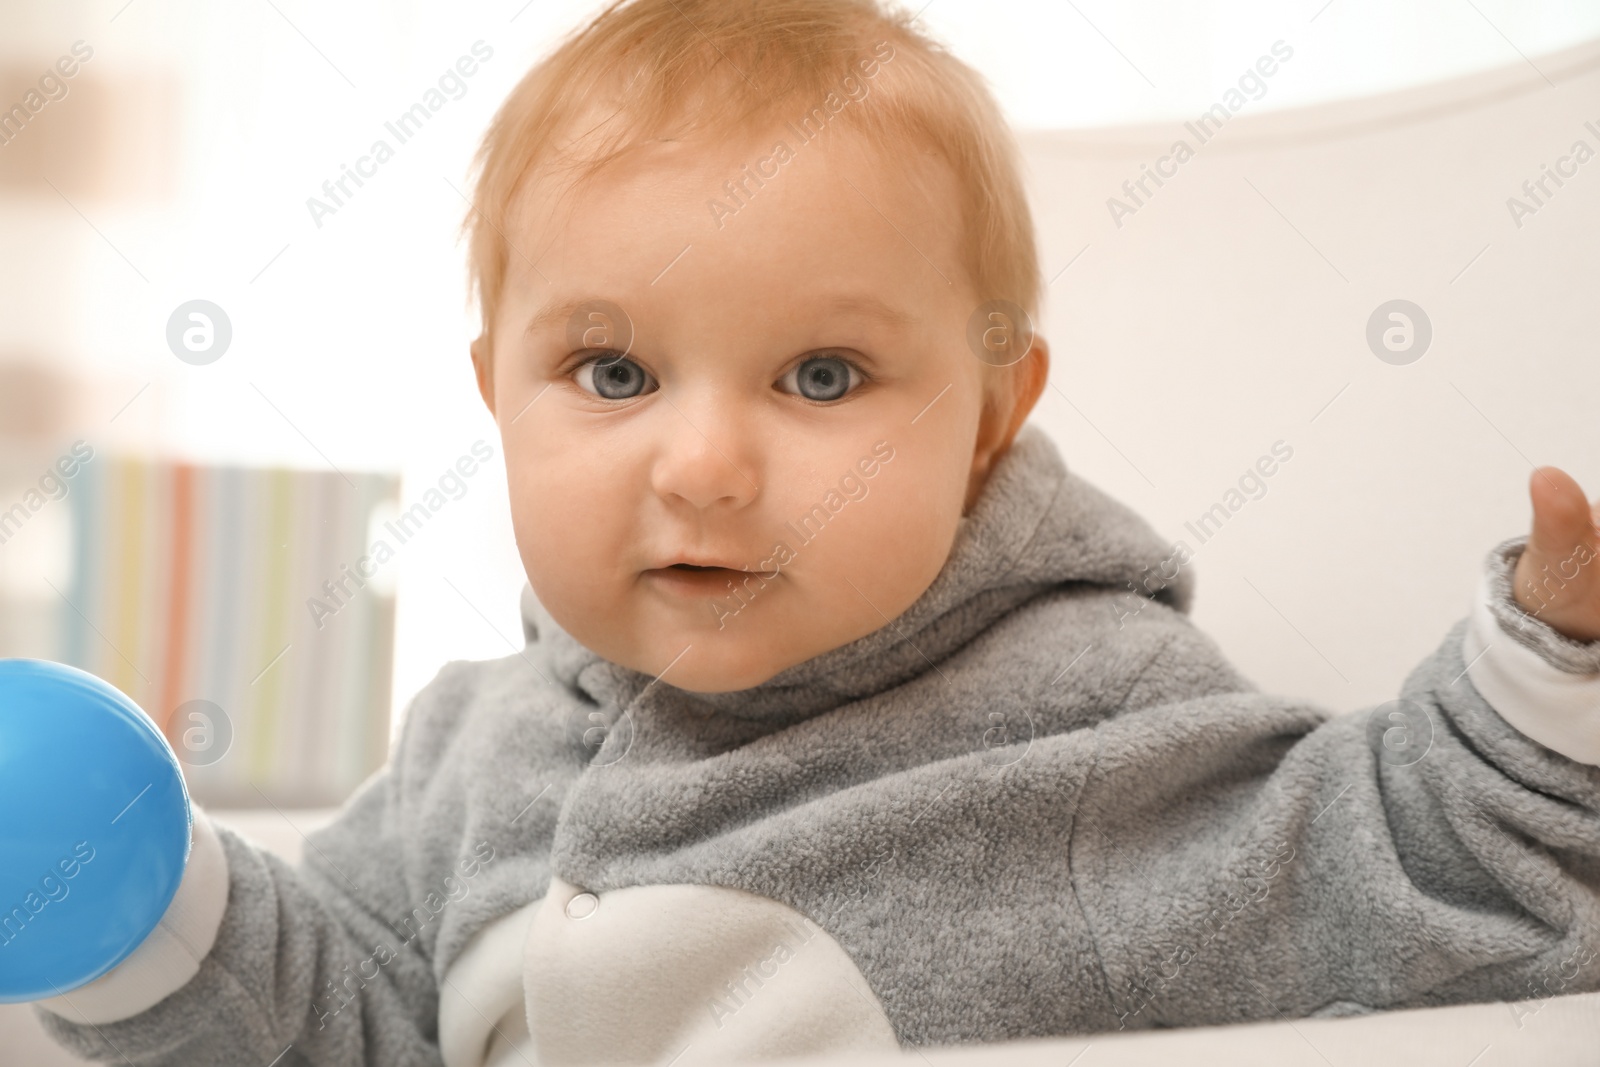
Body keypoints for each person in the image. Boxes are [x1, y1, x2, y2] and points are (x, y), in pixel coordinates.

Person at [34, 0, 1600, 1063]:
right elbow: (355, 1023)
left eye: (825, 375)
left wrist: (1545, 681)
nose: (706, 465)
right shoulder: (468, 748)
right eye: (615, 371)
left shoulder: (1082, 711)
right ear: (498, 399)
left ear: (991, 415)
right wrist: (142, 911)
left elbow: (1390, 878)